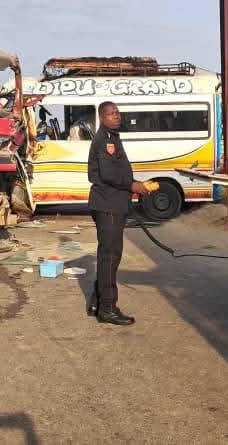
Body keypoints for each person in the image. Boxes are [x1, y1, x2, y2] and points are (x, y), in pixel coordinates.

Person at [86, 101, 157, 326]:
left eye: (117, 113)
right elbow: (108, 174)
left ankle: (98, 302)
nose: (117, 116)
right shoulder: (104, 140)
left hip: (112, 204)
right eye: (111, 113)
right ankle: (108, 308)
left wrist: (135, 185)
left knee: (108, 256)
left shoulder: (113, 136)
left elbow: (118, 171)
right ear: (102, 117)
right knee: (110, 257)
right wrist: (134, 186)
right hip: (109, 206)